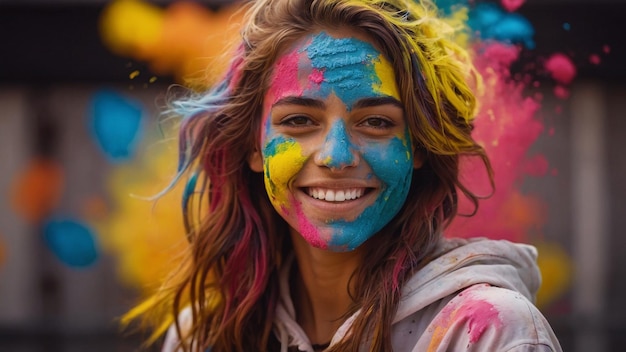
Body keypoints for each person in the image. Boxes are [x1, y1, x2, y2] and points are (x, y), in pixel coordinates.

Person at [127, 0, 563, 350]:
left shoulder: (487, 333)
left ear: (419, 147)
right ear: (253, 148)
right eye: (298, 121)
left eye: (376, 122)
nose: (336, 157)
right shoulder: (203, 335)